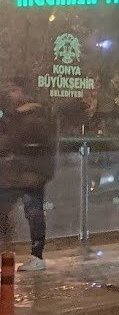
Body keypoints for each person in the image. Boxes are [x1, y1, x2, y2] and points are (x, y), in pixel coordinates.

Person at [0, 78, 56, 271]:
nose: (10, 93)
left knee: (32, 211)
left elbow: (19, 143)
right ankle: (30, 254)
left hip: (30, 173)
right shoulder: (21, 115)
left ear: (23, 92)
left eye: (14, 89)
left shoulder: (31, 116)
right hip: (24, 172)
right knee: (30, 211)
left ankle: (35, 255)